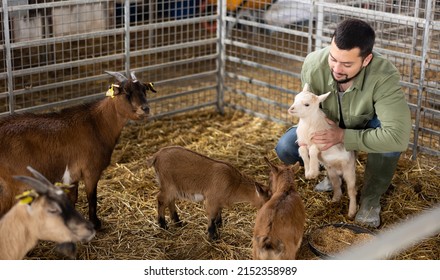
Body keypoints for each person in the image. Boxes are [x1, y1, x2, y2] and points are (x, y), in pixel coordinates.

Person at [275, 18, 412, 228]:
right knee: (286, 147)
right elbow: (308, 107)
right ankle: (333, 174)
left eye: (347, 64)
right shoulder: (313, 64)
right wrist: (311, 136)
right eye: (333, 59)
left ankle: (370, 198)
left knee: (390, 145)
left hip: (364, 123)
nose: (337, 69)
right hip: (328, 123)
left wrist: (343, 136)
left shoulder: (383, 75)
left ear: (366, 61)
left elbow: (399, 137)